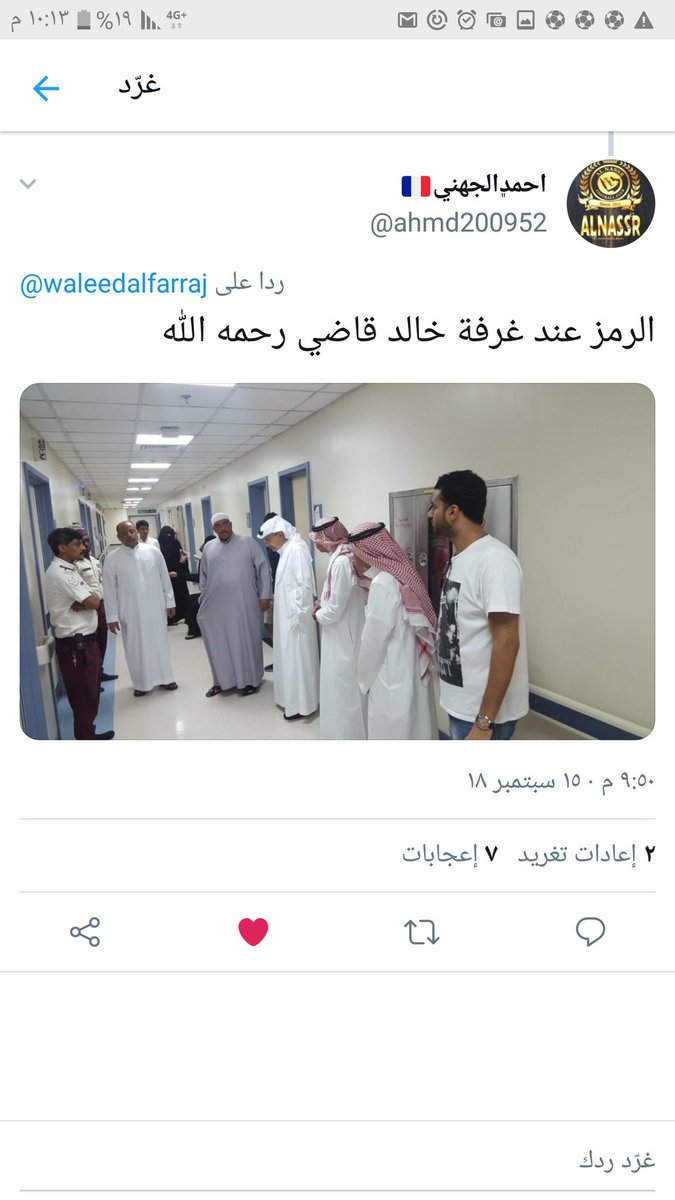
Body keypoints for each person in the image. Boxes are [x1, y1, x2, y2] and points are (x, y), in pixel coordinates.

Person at [428, 470, 529, 741]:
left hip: (482, 719)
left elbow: (508, 642)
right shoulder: (462, 558)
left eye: (435, 506)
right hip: (462, 708)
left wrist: (484, 723)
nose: (430, 514)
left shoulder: (495, 561)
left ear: (453, 512)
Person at [347, 522, 438, 740]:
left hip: (392, 671)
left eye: (355, 553)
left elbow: (374, 641)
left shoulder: (383, 583)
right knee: (417, 725)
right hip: (411, 665)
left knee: (394, 730)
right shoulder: (401, 574)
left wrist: (363, 678)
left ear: (368, 553)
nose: (352, 559)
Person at [44, 527, 114, 739]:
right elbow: (94, 601)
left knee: (89, 694)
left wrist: (84, 602)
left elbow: (93, 598)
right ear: (62, 548)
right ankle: (85, 738)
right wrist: (88, 602)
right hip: (76, 646)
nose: (82, 547)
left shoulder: (70, 568)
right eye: (76, 544)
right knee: (84, 696)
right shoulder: (62, 574)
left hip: (84, 642)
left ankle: (88, 734)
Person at [198, 515, 272, 697]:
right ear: (214, 529)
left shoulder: (248, 543)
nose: (223, 528)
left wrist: (265, 595)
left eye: (226, 524)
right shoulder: (208, 547)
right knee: (219, 641)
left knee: (246, 639)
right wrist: (204, 597)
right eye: (218, 525)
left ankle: (251, 680)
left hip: (244, 602)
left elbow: (264, 569)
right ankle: (221, 681)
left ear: (231, 524)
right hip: (217, 605)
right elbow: (203, 576)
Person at [102, 521, 178, 697]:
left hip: (155, 606)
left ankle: (166, 678)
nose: (129, 535)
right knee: (135, 647)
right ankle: (141, 684)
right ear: (118, 537)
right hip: (130, 611)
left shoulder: (153, 551)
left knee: (160, 643)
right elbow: (109, 590)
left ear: (136, 532)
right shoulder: (112, 559)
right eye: (124, 533)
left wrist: (170, 602)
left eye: (131, 531)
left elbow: (164, 578)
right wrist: (111, 617)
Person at [311, 516, 367, 740]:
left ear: (326, 539)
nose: (316, 544)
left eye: (317, 539)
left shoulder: (342, 561)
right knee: (338, 688)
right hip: (341, 632)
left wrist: (318, 614)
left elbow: (335, 608)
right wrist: (323, 607)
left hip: (344, 636)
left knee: (345, 691)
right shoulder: (341, 556)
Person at [260, 515, 319, 720]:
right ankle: (292, 701)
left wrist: (295, 616)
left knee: (298, 660)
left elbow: (304, 586)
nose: (268, 545)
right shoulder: (287, 550)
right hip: (288, 619)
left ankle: (303, 706)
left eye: (268, 540)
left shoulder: (297, 550)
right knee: (290, 659)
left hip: (296, 621)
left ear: (280, 534)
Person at [73, 526, 118, 686]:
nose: (86, 545)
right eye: (81, 542)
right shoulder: (75, 565)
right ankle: (94, 679)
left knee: (102, 641)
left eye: (87, 541)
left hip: (101, 606)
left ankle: (100, 672)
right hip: (88, 609)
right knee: (91, 646)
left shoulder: (94, 561)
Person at [184, 534, 216, 640]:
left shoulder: (217, 559)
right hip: (207, 591)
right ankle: (191, 625)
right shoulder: (205, 558)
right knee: (190, 598)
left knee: (195, 606)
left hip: (216, 593)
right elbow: (200, 577)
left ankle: (194, 631)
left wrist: (183, 576)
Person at [158, 525, 189, 624]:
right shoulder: (159, 546)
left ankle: (184, 615)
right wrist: (166, 574)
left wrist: (184, 558)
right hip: (167, 575)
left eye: (170, 534)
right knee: (170, 596)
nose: (169, 536)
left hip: (178, 573)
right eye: (166, 534)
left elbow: (181, 554)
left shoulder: (176, 543)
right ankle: (171, 618)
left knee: (182, 595)